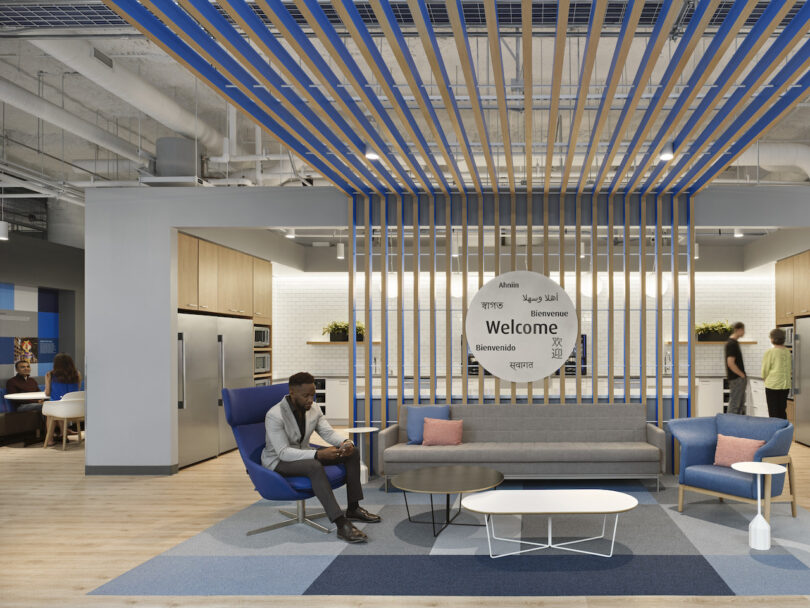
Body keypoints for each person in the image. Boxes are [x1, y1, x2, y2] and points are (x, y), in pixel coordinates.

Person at [262, 371, 380, 543]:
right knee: (314, 465)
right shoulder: (275, 415)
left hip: (304, 452)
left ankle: (353, 508)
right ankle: (341, 524)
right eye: (306, 396)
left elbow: (327, 432)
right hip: (280, 461)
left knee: (352, 453)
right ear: (292, 392)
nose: (310, 400)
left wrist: (345, 442)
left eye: (313, 395)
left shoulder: (314, 408)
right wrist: (317, 454)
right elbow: (283, 452)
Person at [44, 353, 82, 446]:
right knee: (60, 408)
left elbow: (47, 393)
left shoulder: (50, 374)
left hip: (60, 408)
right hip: (76, 410)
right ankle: (63, 435)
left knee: (51, 414)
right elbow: (77, 391)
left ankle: (49, 440)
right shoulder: (77, 374)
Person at [761, 328, 792, 419]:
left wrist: (764, 378)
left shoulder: (770, 352)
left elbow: (765, 369)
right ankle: (783, 432)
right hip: (785, 385)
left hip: (772, 385)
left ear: (773, 339)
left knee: (773, 411)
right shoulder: (786, 351)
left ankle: (775, 431)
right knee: (782, 410)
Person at [725, 322, 747, 415]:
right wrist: (741, 375)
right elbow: (730, 363)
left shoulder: (734, 343)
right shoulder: (731, 344)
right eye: (743, 330)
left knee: (739, 404)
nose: (744, 332)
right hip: (736, 379)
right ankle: (729, 427)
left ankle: (737, 427)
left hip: (737, 378)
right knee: (735, 405)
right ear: (738, 330)